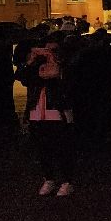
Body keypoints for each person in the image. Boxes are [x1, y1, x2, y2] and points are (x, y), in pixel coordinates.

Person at [19, 40, 76, 197]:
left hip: (58, 114)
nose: (48, 52)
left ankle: (66, 181)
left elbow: (64, 82)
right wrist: (30, 61)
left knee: (62, 149)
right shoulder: (37, 67)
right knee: (42, 150)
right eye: (46, 49)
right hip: (37, 114)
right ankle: (49, 179)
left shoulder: (65, 67)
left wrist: (53, 61)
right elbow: (22, 78)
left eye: (53, 50)